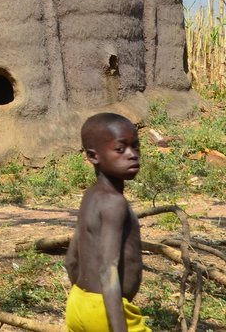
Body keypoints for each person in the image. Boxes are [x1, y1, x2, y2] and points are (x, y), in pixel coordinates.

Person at [64, 112, 149, 332]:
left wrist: (86, 303)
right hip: (105, 311)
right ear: (93, 156)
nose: (132, 155)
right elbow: (107, 270)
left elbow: (71, 259)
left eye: (136, 147)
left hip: (78, 303)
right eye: (120, 149)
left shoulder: (90, 196)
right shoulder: (114, 203)